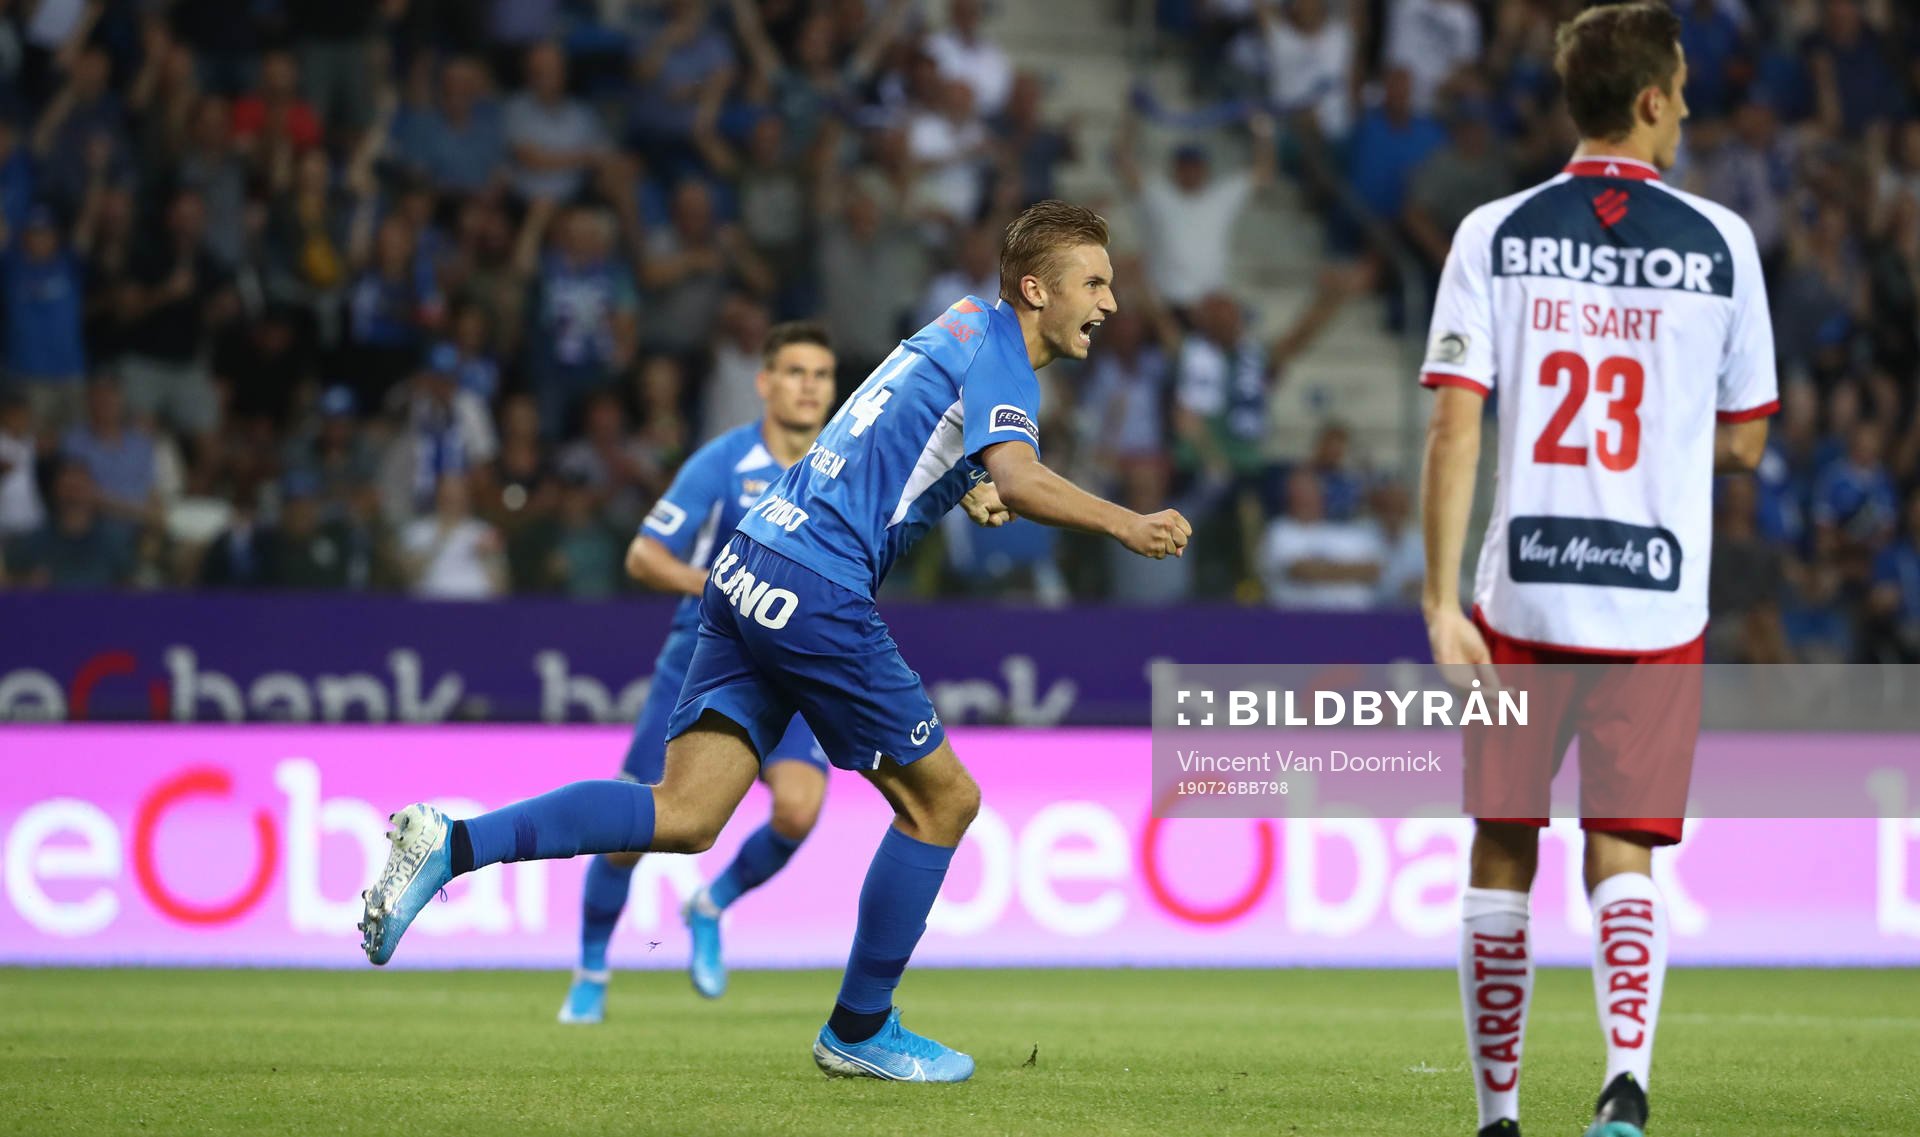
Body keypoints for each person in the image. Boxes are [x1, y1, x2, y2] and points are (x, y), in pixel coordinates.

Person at [358, 200, 1190, 1083]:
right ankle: (861, 1027)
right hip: (819, 584)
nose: (1108, 301)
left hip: (750, 556)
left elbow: (910, 437)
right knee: (942, 802)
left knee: (681, 813)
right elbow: (1017, 475)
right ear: (1036, 288)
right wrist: (1125, 522)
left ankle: (449, 843)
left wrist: (963, 483)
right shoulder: (1006, 364)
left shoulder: (956, 324)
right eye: (1093, 282)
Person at [1416, 7, 1775, 1137]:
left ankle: (1498, 1116)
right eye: (1682, 86)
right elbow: (1748, 444)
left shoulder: (1493, 232)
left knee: (1502, 842)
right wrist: (1671, 429)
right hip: (1655, 599)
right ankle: (1624, 1084)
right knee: (1624, 848)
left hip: (1519, 592)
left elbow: (1454, 429)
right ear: (1655, 99)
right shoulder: (1721, 240)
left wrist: (1437, 602)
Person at [558, 321, 838, 1025]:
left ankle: (708, 905)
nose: (809, 386)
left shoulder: (842, 465)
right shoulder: (723, 460)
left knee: (799, 809)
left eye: (822, 375)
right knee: (630, 834)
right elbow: (643, 555)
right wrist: (711, 581)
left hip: (794, 664)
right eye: (795, 372)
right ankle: (592, 966)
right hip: (704, 660)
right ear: (765, 383)